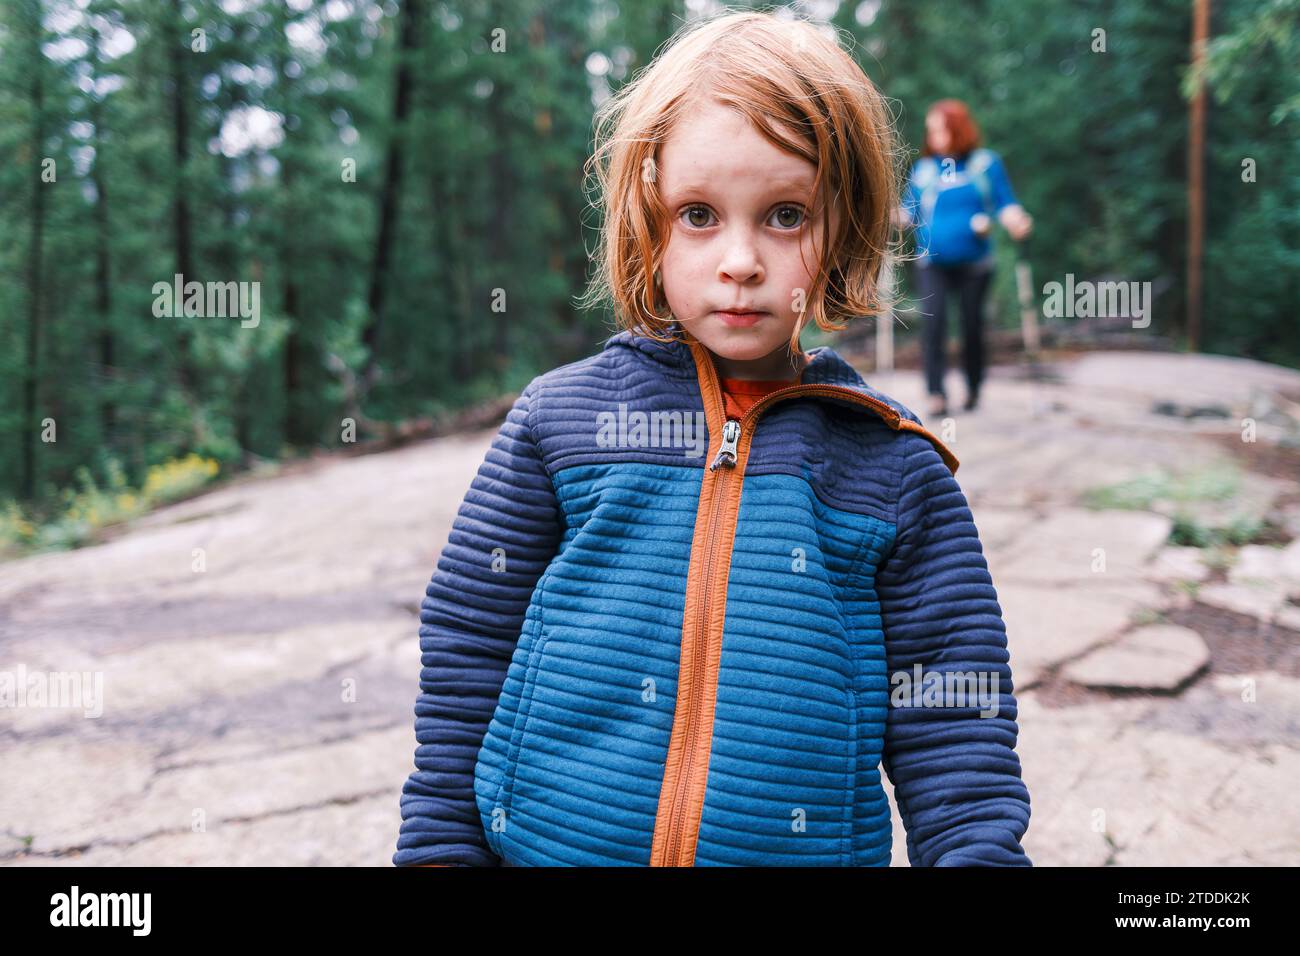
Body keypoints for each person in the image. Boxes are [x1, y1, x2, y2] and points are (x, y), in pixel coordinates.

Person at [393, 11, 1032, 867]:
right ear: (647, 219)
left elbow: (954, 710)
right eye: (698, 214)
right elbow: (470, 640)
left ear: (842, 227)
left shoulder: (893, 466)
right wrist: (440, 846)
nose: (740, 260)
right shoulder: (557, 424)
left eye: (784, 215)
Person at [896, 99, 1033, 417]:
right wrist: (886, 217)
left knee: (972, 325)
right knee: (934, 324)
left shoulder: (985, 164)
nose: (933, 137)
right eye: (931, 131)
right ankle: (936, 394)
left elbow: (1005, 203)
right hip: (931, 261)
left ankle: (973, 388)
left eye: (940, 130)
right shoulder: (924, 170)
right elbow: (909, 212)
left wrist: (1016, 220)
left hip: (975, 262)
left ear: (958, 129)